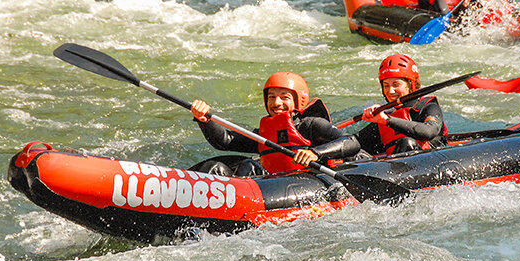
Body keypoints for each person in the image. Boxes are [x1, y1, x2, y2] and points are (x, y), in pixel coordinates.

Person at [292, 54, 447, 167]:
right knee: (351, 154)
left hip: (434, 164)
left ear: (411, 84)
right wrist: (317, 150)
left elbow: (429, 132)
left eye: (396, 84)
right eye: (386, 85)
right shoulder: (385, 116)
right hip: (396, 168)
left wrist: (386, 120)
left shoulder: (428, 106)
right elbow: (353, 142)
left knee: (407, 142)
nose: (390, 91)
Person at [190, 72, 345, 176]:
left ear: (299, 100)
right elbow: (225, 141)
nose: (276, 103)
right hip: (268, 187)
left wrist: (316, 153)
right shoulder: (264, 133)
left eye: (284, 97)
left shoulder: (312, 126)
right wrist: (204, 119)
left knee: (249, 166)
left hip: (306, 184)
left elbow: (350, 141)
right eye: (271, 97)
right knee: (214, 168)